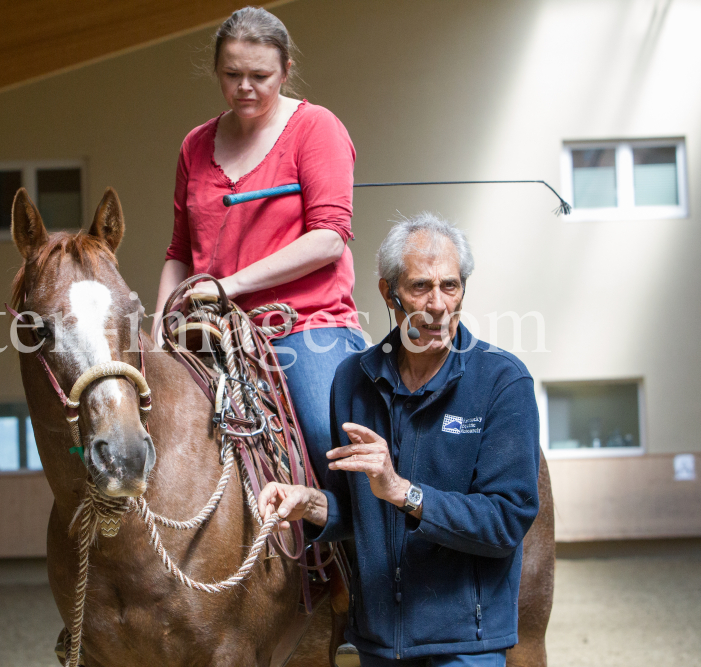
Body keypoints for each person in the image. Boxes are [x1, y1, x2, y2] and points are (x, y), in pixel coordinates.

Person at [258, 213, 542, 667]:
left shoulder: (502, 382)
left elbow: (506, 521)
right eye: (419, 287)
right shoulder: (352, 379)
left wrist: (403, 491)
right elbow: (361, 513)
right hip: (378, 645)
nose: (437, 305)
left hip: (463, 648)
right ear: (388, 292)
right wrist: (310, 503)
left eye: (450, 286)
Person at [152, 6, 365, 488]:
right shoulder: (194, 145)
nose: (245, 87)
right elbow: (179, 252)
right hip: (212, 332)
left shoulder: (317, 128)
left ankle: (367, 553)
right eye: (232, 75)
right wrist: (159, 327)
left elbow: (329, 238)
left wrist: (229, 285)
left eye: (260, 75)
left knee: (325, 436)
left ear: (286, 71)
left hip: (304, 326)